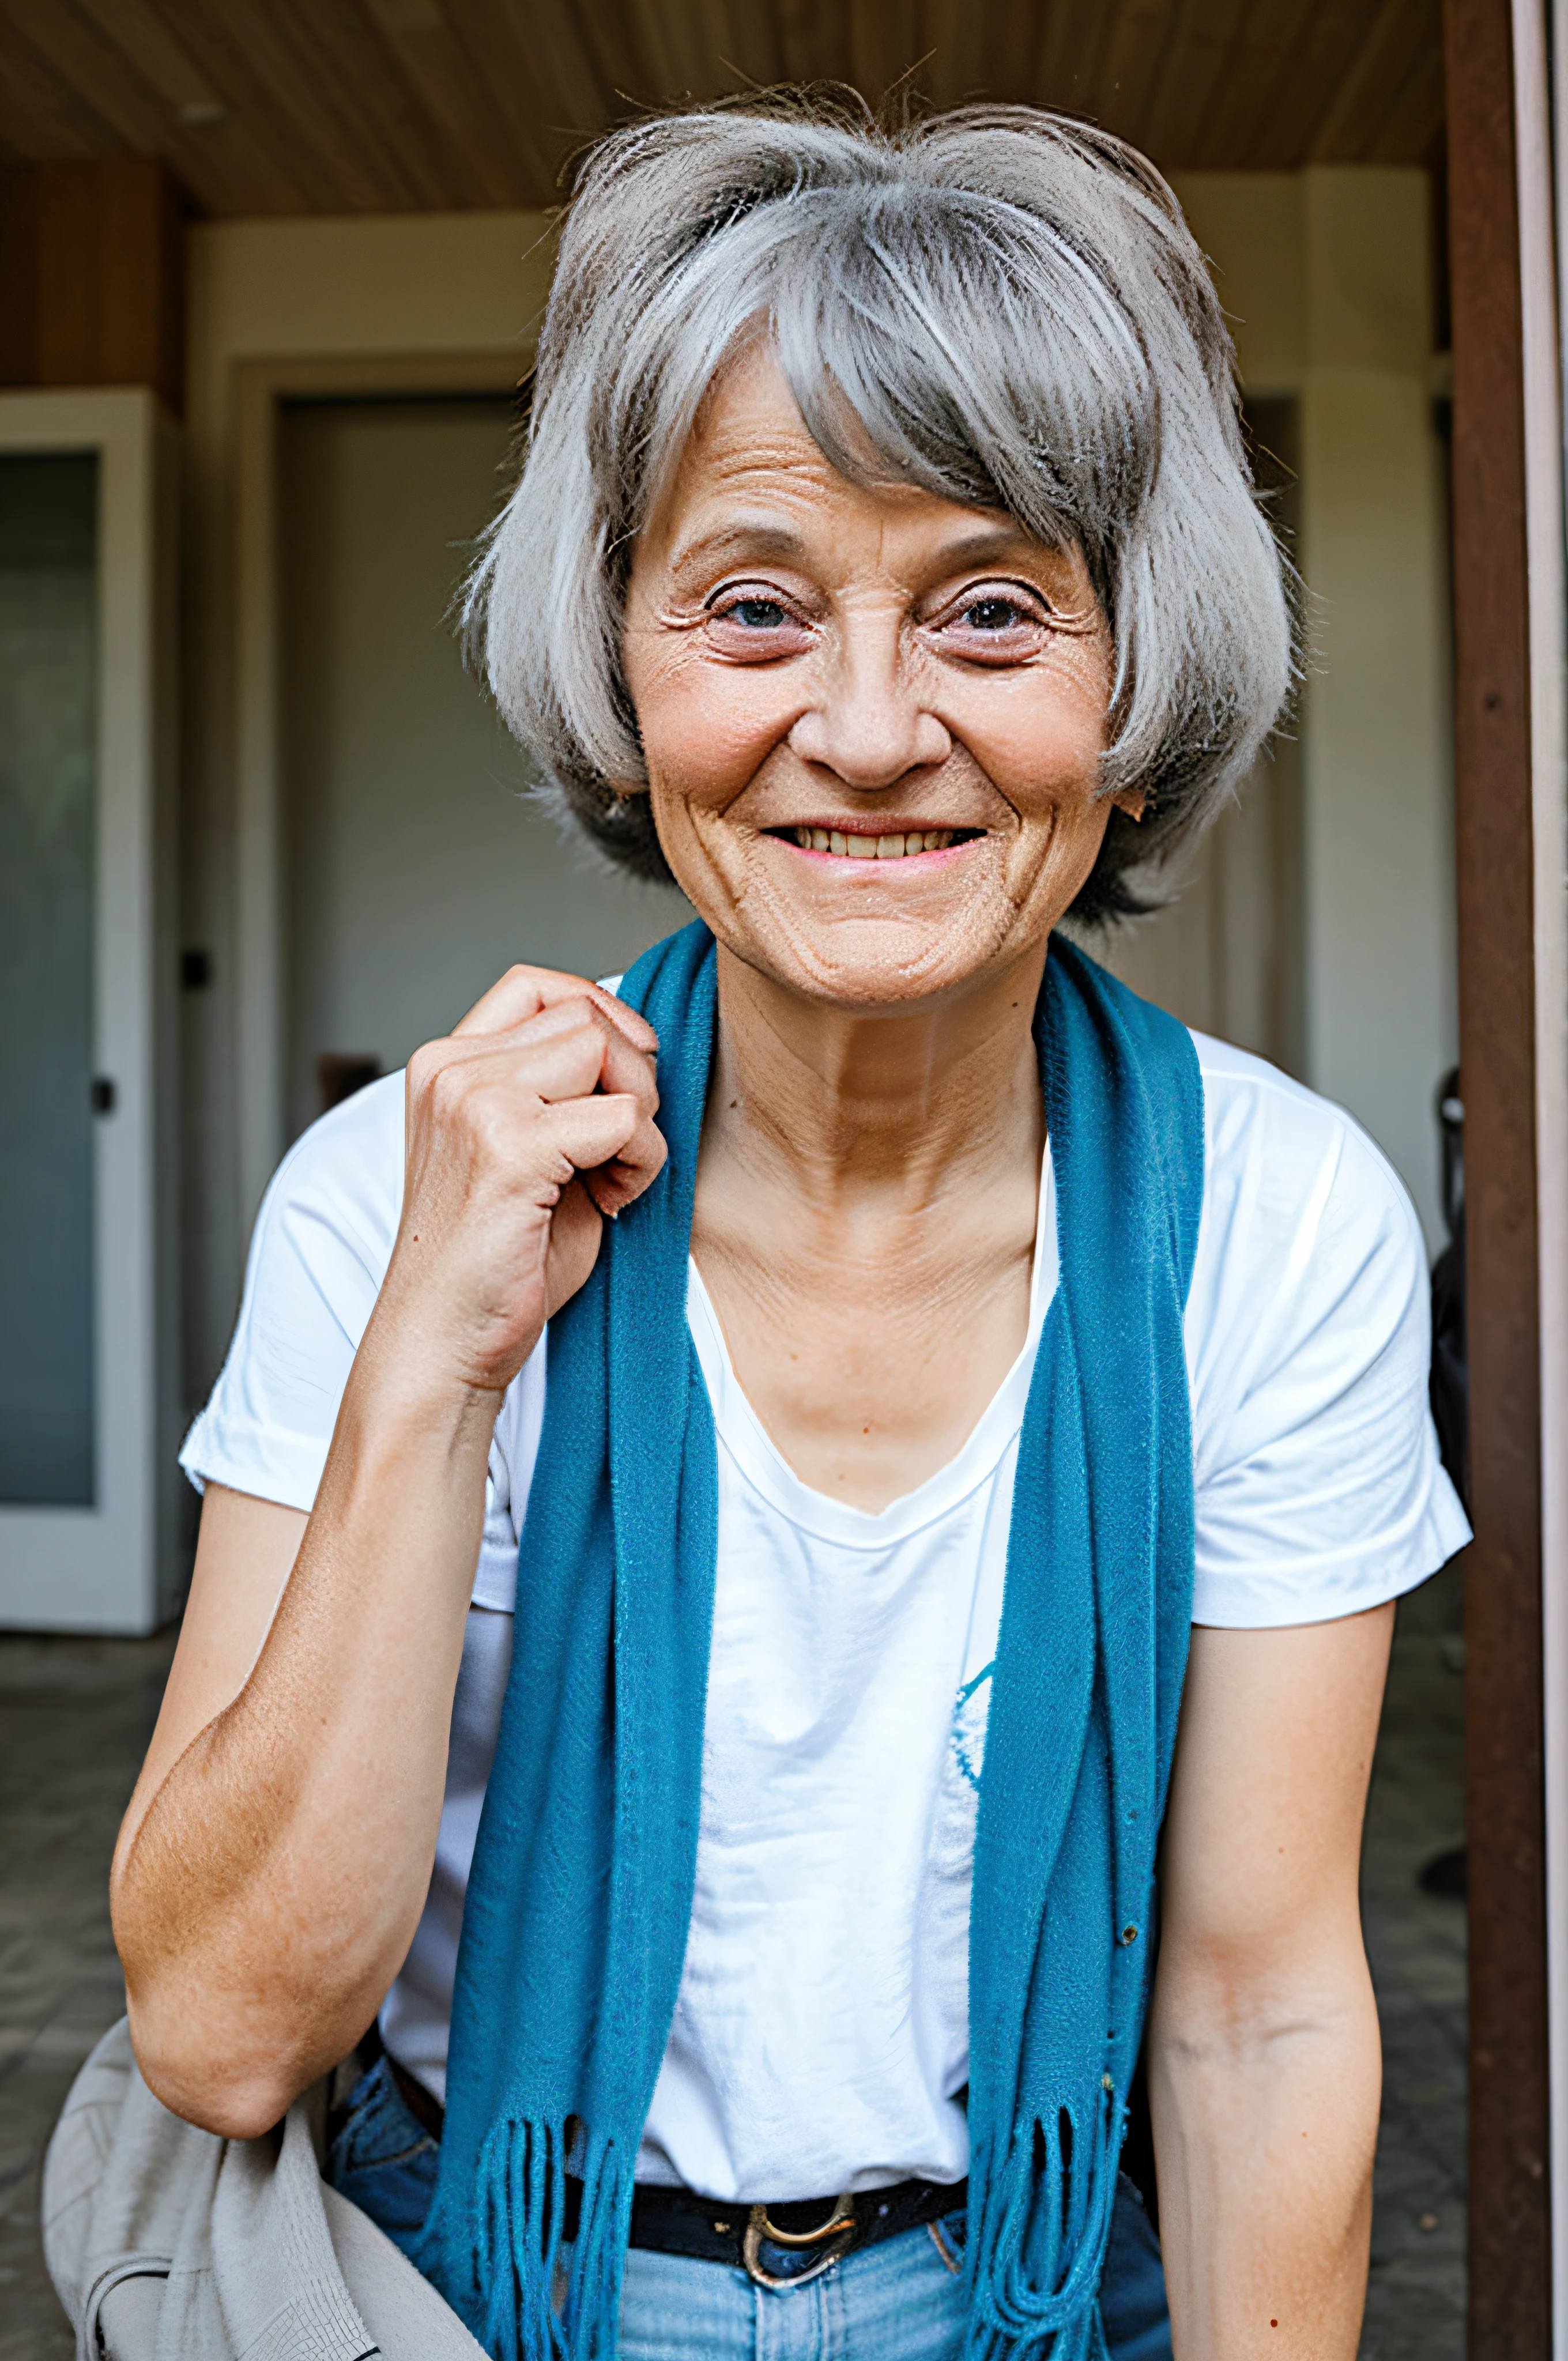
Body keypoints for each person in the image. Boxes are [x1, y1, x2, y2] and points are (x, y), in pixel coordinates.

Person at [107, 96, 1467, 2361]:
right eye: (752, 604)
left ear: (1126, 695)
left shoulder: (1277, 1220)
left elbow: (1250, 2016)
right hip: (470, 2288)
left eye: (991, 607)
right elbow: (231, 2031)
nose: (863, 725)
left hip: (1034, 2293)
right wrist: (434, 1361)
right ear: (625, 678)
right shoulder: (387, 1203)